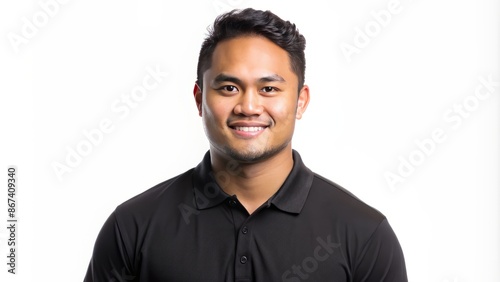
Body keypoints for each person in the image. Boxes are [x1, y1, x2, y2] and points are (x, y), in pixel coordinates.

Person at [84, 8, 407, 282]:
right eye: (228, 87)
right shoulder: (133, 225)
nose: (248, 106)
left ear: (300, 101)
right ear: (200, 99)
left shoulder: (363, 233)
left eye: (268, 89)